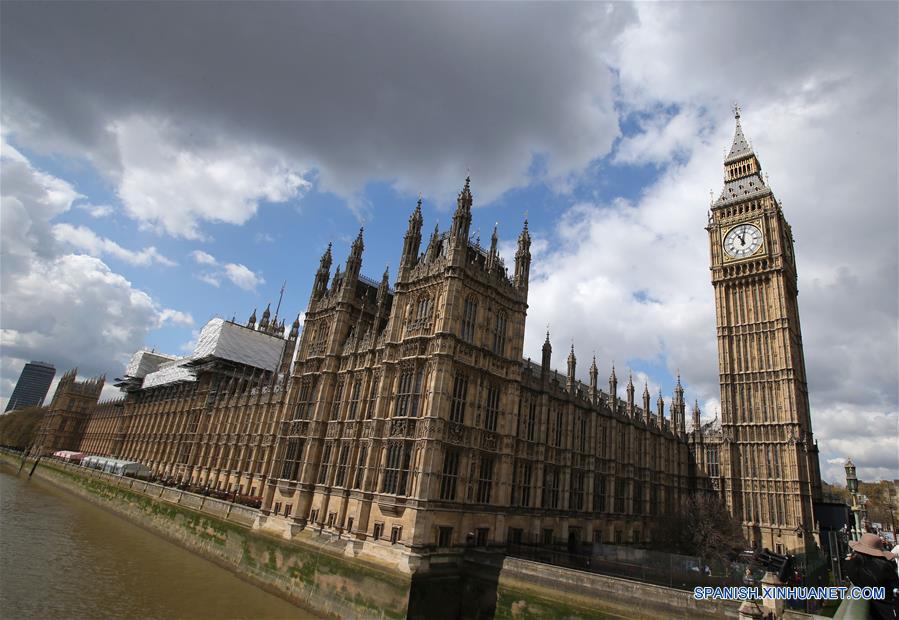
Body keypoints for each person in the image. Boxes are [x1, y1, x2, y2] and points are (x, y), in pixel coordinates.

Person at [844, 533, 899, 620]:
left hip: (874, 611)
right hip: (889, 612)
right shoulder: (883, 568)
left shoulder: (850, 565)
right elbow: (896, 587)